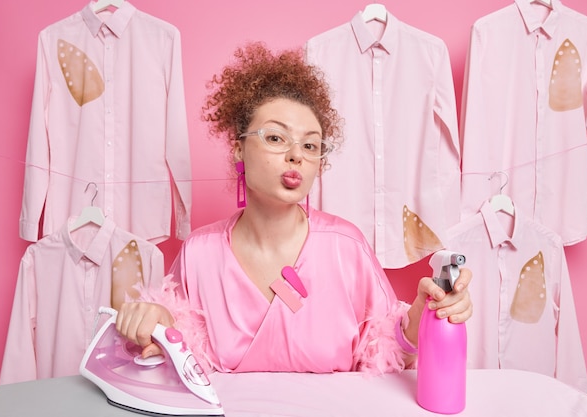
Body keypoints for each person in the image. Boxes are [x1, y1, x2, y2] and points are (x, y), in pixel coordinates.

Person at [116, 42, 472, 374]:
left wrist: (426, 313)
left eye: (311, 145)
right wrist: (155, 325)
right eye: (275, 137)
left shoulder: (346, 246)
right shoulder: (199, 253)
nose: (296, 155)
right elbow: (175, 347)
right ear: (238, 148)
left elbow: (386, 349)